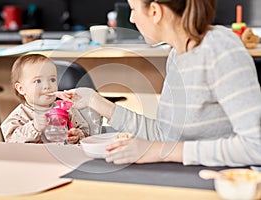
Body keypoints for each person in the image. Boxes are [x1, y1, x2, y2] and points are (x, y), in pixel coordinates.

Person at [57, 0, 261, 166]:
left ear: (155, 11)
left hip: (225, 184)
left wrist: (160, 151)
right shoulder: (177, 55)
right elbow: (167, 135)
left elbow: (256, 147)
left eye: (134, 9)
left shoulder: (220, 49)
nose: (131, 18)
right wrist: (95, 101)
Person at [1, 54, 101, 143]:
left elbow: (85, 131)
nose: (47, 86)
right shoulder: (19, 115)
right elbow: (10, 140)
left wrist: (79, 135)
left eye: (52, 79)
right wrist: (34, 127)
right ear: (21, 89)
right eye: (38, 81)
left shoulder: (67, 109)